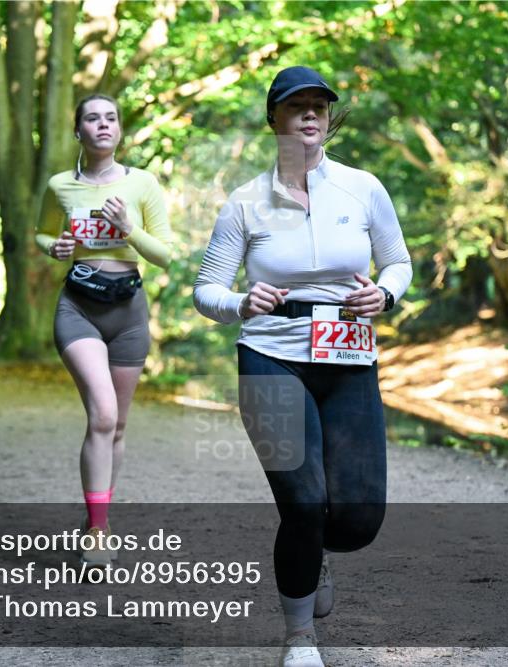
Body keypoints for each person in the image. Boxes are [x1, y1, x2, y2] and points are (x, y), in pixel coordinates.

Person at [193, 66, 412, 667]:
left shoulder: (363, 188)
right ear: (275, 120)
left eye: (319, 105)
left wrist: (385, 295)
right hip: (269, 355)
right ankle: (299, 639)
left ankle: (316, 556)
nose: (310, 114)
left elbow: (398, 264)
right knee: (302, 503)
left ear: (329, 118)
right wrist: (241, 301)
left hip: (348, 357)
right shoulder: (244, 202)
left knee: (357, 520)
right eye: (296, 107)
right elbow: (206, 290)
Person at [36, 94, 173, 567]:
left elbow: (166, 255)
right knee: (102, 416)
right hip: (78, 309)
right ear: (79, 130)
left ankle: (100, 515)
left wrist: (128, 228)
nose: (103, 125)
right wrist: (53, 246)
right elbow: (41, 232)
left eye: (110, 118)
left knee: (118, 426)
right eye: (92, 118)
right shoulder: (60, 185)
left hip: (129, 311)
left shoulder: (143, 184)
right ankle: (97, 531)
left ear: (119, 129)